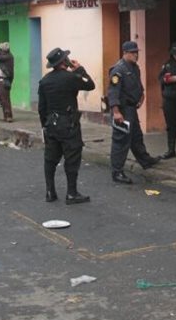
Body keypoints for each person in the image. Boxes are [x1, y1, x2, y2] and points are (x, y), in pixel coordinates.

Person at [38, 47, 96, 204]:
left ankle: (50, 192)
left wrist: (45, 126)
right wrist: (80, 69)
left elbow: (41, 108)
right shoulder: (71, 78)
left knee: (50, 159)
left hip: (51, 124)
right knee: (72, 158)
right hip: (68, 124)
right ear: (64, 62)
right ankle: (71, 193)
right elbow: (90, 85)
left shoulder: (44, 81)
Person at [107, 41, 158, 184]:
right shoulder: (118, 70)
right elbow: (113, 92)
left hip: (131, 109)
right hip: (122, 110)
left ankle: (145, 160)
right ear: (125, 53)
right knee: (121, 141)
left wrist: (141, 95)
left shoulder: (135, 68)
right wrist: (116, 112)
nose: (136, 55)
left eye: (137, 52)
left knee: (136, 136)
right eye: (133, 52)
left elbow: (138, 85)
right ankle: (117, 172)